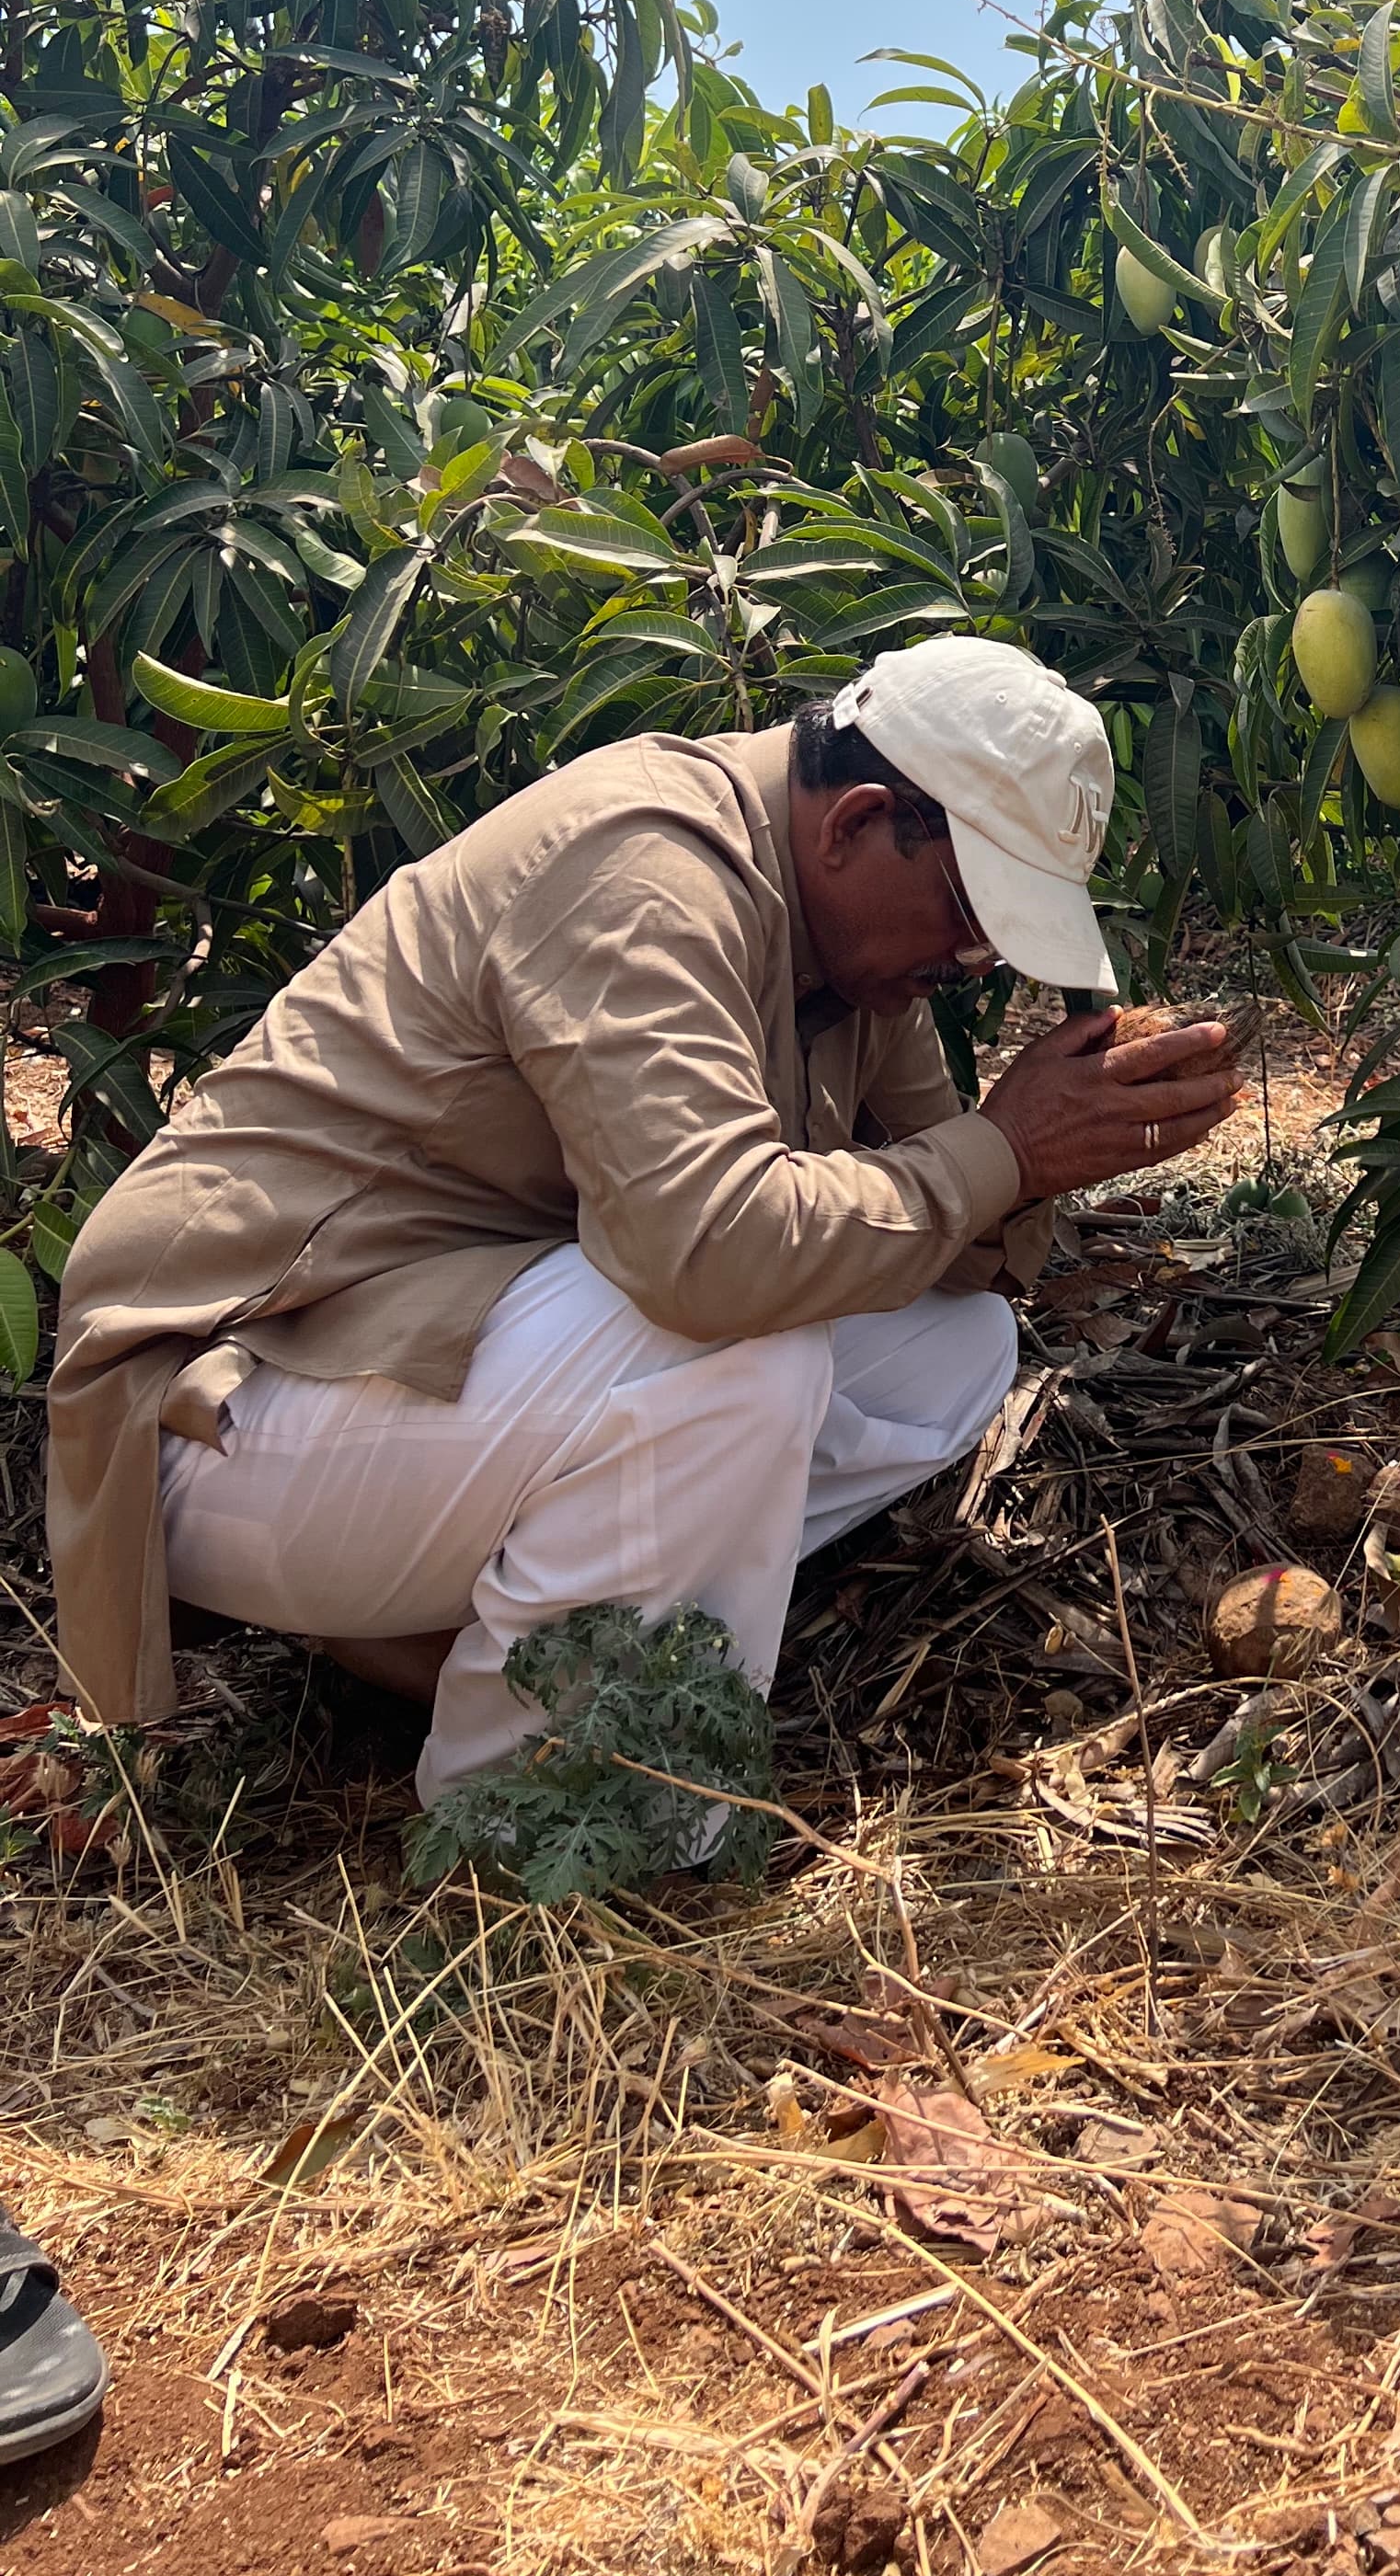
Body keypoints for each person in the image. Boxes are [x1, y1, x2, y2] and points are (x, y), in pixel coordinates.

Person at [44, 636, 1241, 1802]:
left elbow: (958, 1246)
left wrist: (1052, 1146)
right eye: (975, 912)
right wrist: (1007, 1145)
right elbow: (710, 1258)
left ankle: (530, 1636)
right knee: (748, 1343)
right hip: (220, 1399)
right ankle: (542, 1823)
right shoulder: (645, 868)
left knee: (949, 1347)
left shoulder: (856, 952)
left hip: (411, 1372)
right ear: (856, 822)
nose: (978, 961)